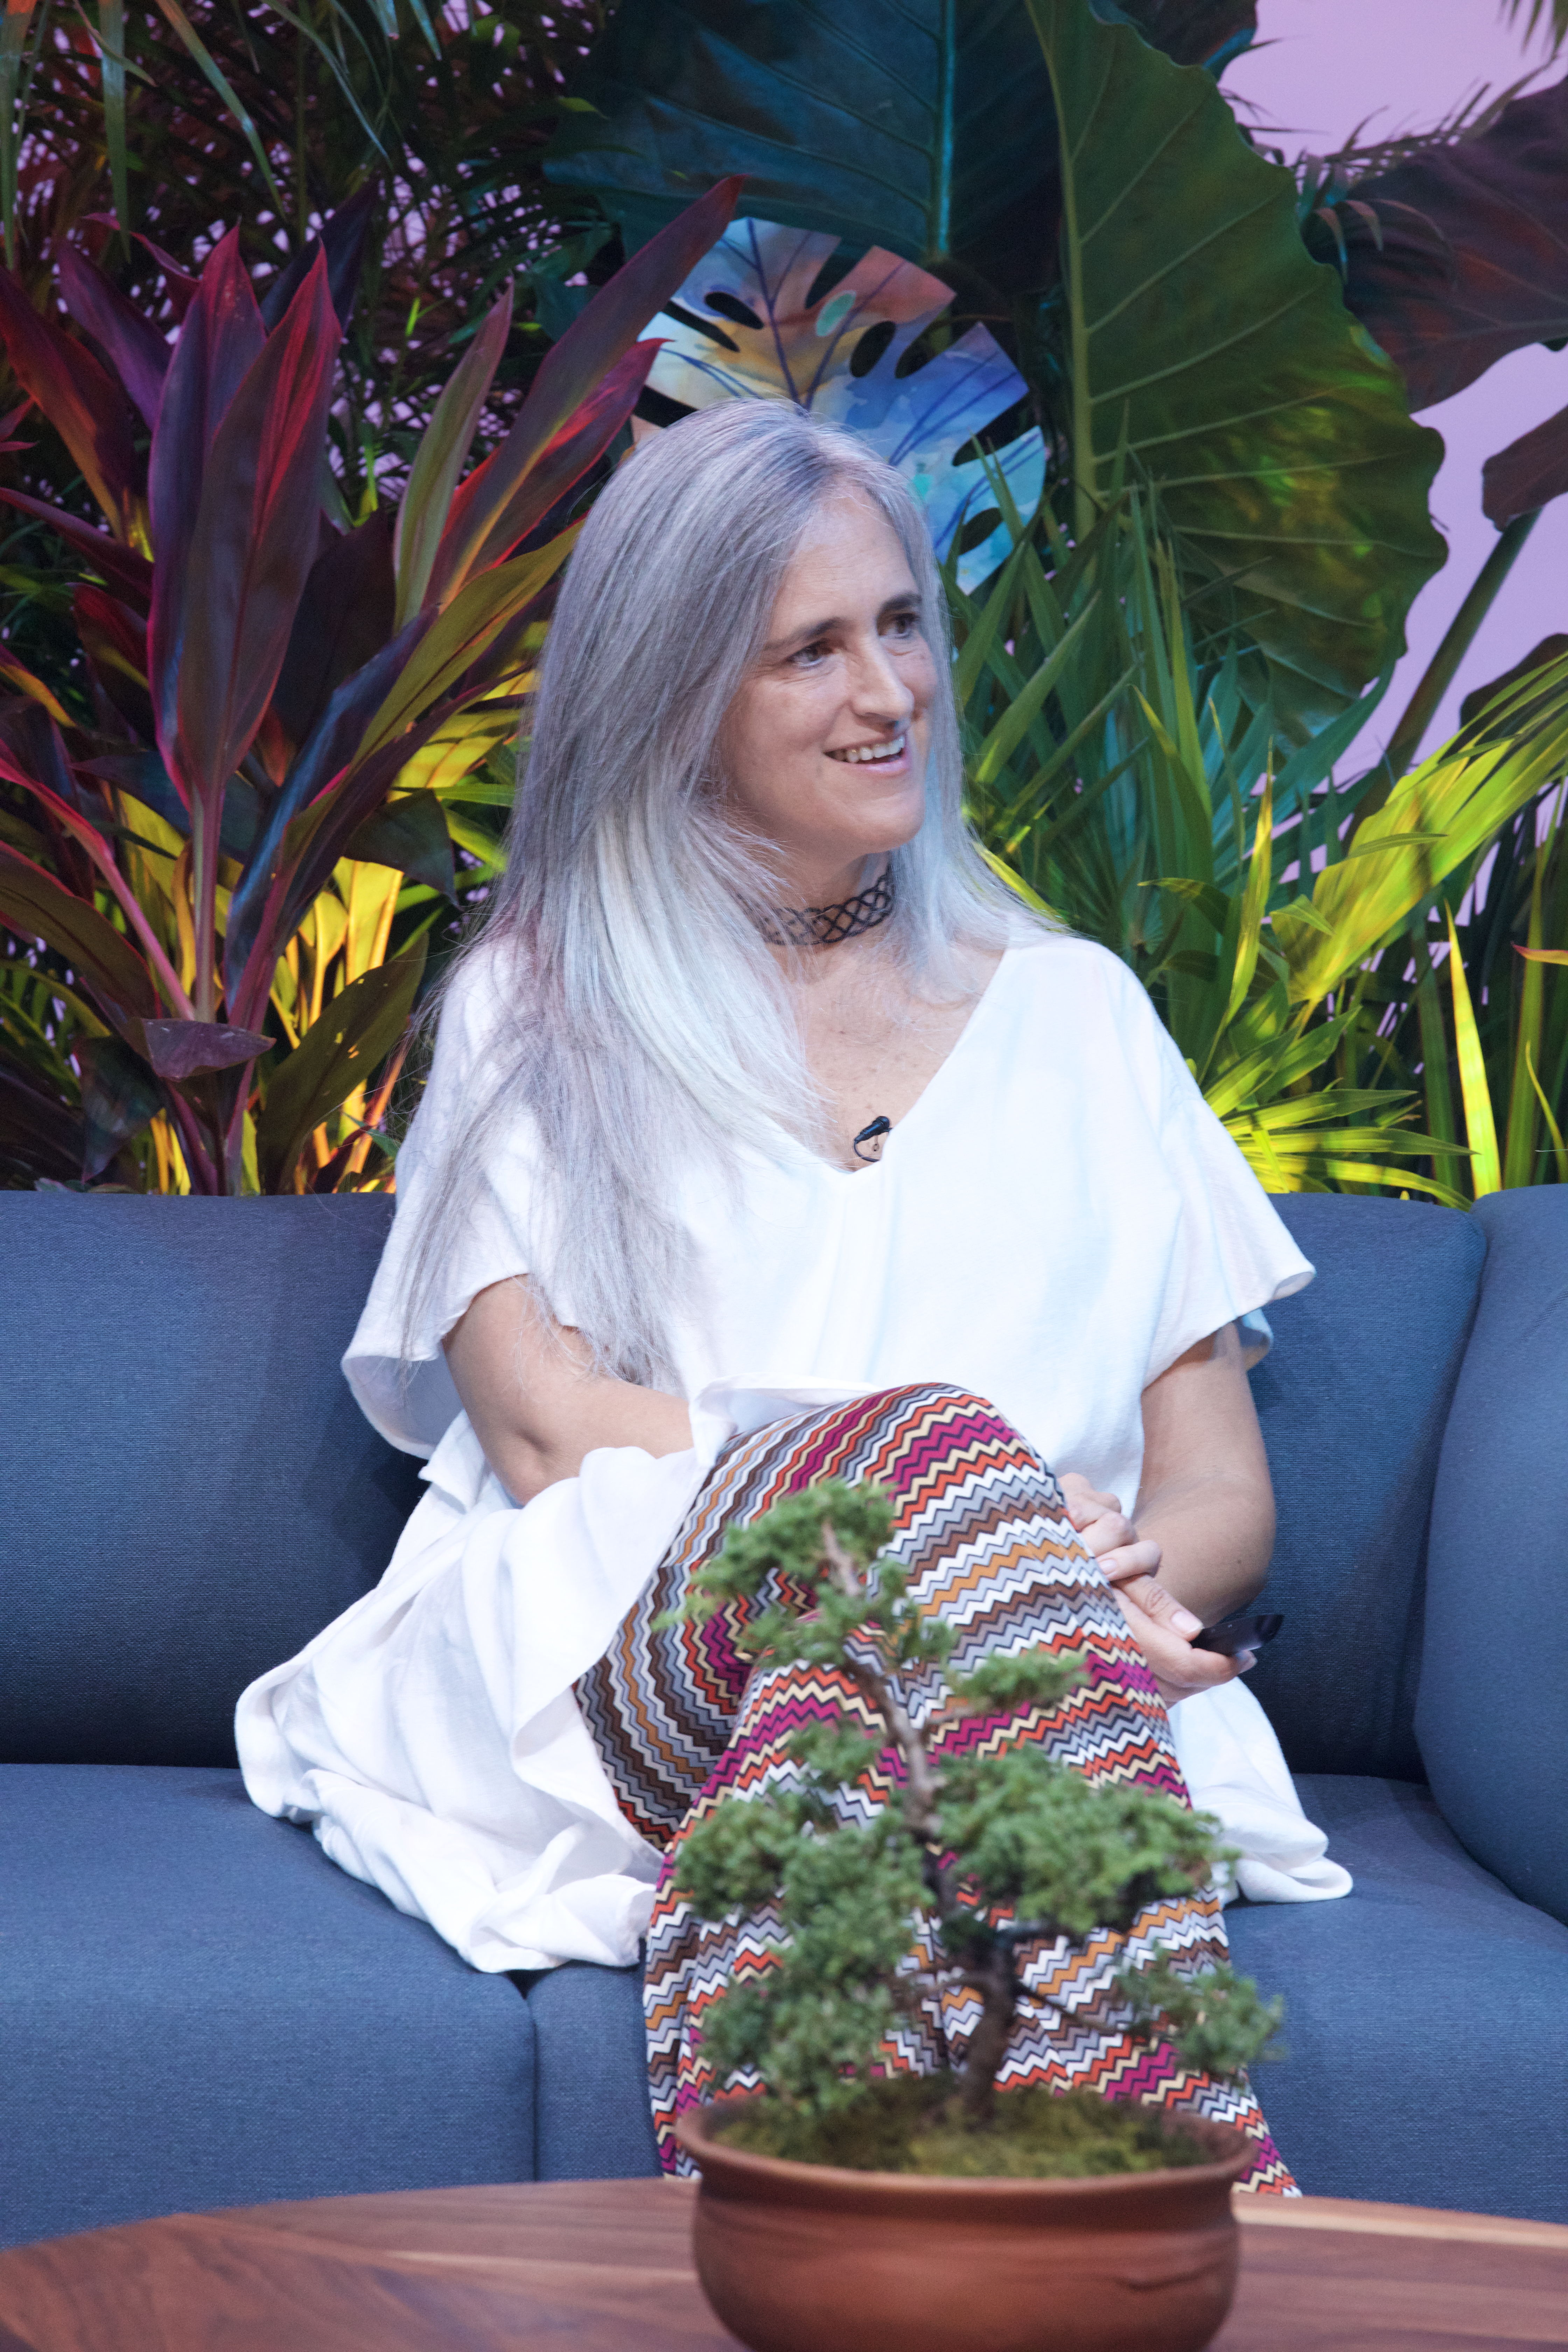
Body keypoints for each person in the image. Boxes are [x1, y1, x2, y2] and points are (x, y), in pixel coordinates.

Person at [239, 400, 1318, 2191]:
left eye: (899, 625)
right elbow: (545, 1431)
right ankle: (1186, 2219)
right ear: (676, 698)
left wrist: (1016, 1583)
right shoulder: (539, 1006)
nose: (888, 691)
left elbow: (1221, 1495)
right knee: (937, 1457)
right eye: (809, 650)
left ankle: (802, 2223)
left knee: (868, 1722)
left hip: (1008, 1677)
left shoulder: (1078, 1016)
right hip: (624, 1650)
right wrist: (947, 1498)